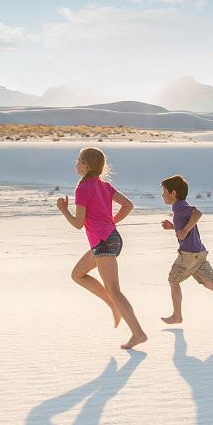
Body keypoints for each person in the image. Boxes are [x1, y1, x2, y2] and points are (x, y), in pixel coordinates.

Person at [56, 147, 147, 349]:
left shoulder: (83, 189)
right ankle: (113, 306)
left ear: (86, 166)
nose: (76, 162)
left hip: (104, 242)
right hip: (108, 239)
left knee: (115, 290)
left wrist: (63, 210)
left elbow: (78, 224)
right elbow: (129, 205)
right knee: (78, 274)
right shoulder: (104, 186)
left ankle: (138, 333)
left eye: (79, 159)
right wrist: (110, 223)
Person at [159, 174, 213, 324]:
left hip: (189, 254)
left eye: (164, 191)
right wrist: (174, 227)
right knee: (209, 283)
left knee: (173, 280)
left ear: (173, 193)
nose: (162, 195)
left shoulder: (179, 205)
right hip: (199, 252)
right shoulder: (180, 206)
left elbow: (197, 214)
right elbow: (187, 226)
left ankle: (177, 316)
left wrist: (184, 230)